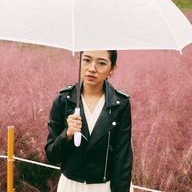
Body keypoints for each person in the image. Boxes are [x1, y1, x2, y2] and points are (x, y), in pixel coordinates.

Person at [45, 50, 133, 192]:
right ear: (78, 61)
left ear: (112, 69)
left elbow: (122, 158)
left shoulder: (120, 104)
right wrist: (67, 134)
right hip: (70, 186)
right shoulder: (63, 101)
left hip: (104, 187)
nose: (92, 68)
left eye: (101, 63)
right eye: (86, 60)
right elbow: (51, 155)